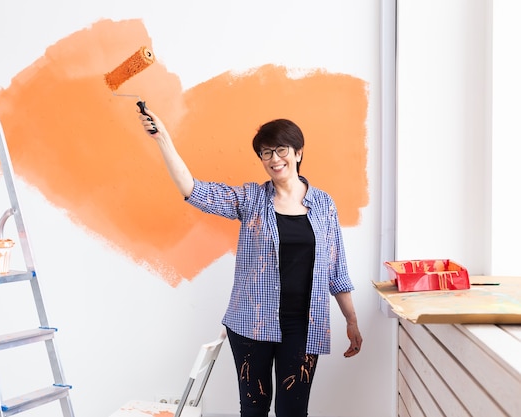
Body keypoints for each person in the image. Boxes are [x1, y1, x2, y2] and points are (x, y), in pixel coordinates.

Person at [137, 107, 363, 417]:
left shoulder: (323, 204)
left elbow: (336, 269)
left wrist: (351, 321)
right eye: (265, 152)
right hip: (250, 325)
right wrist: (163, 139)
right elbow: (192, 189)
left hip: (304, 325)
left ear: (298, 152)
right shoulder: (251, 199)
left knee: (293, 412)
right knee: (254, 410)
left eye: (280, 149)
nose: (274, 158)